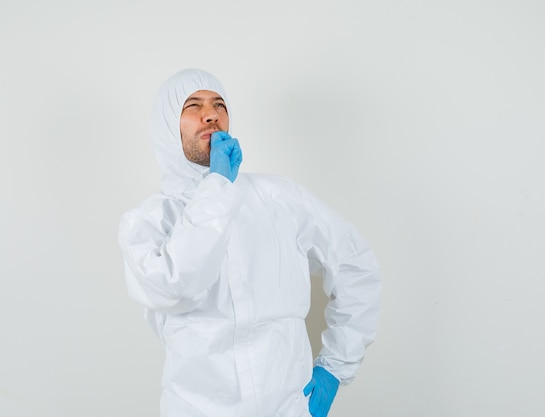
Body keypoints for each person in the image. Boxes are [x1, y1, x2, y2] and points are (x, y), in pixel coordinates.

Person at [118, 68, 380, 417]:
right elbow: (178, 285)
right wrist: (218, 187)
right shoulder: (148, 222)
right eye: (193, 105)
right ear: (167, 127)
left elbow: (354, 264)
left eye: (219, 104)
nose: (211, 114)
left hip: (288, 406)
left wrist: (335, 366)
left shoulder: (279, 199)